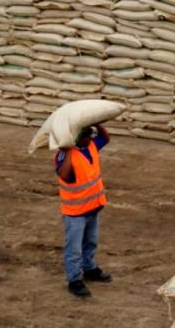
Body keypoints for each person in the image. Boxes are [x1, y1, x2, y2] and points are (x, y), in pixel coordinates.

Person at [55, 124, 113, 298]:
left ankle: (89, 268)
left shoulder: (91, 145)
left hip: (93, 206)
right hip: (75, 212)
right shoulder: (64, 154)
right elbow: (64, 174)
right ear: (76, 138)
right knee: (74, 249)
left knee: (90, 242)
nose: (89, 138)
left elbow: (106, 138)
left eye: (90, 135)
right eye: (86, 136)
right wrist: (67, 148)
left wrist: (97, 122)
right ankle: (74, 280)